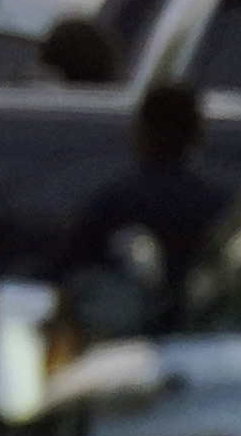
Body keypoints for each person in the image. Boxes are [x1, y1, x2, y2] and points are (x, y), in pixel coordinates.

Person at [60, 81, 226, 313]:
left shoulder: (116, 202)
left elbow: (69, 266)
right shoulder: (219, 206)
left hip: (122, 335)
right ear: (198, 134)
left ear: (140, 131)